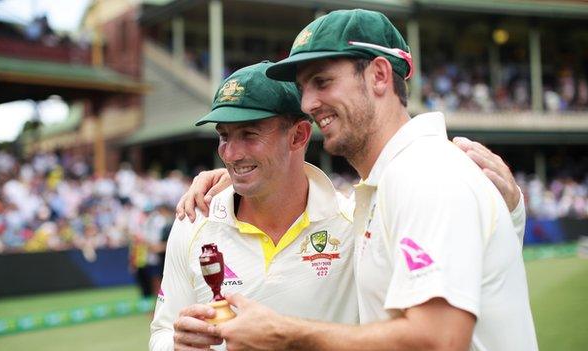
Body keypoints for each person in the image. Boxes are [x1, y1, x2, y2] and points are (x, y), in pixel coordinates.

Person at [179, 9, 537, 351]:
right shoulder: (392, 181)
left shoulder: (425, 174)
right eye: (304, 88)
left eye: (322, 81)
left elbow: (439, 340)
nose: (308, 103)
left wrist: (282, 334)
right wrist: (245, 176)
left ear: (379, 75)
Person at [149, 61, 359, 351]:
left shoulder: (354, 224)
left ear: (298, 135)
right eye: (224, 136)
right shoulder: (194, 223)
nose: (231, 154)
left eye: (249, 134)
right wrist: (176, 345)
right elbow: (162, 330)